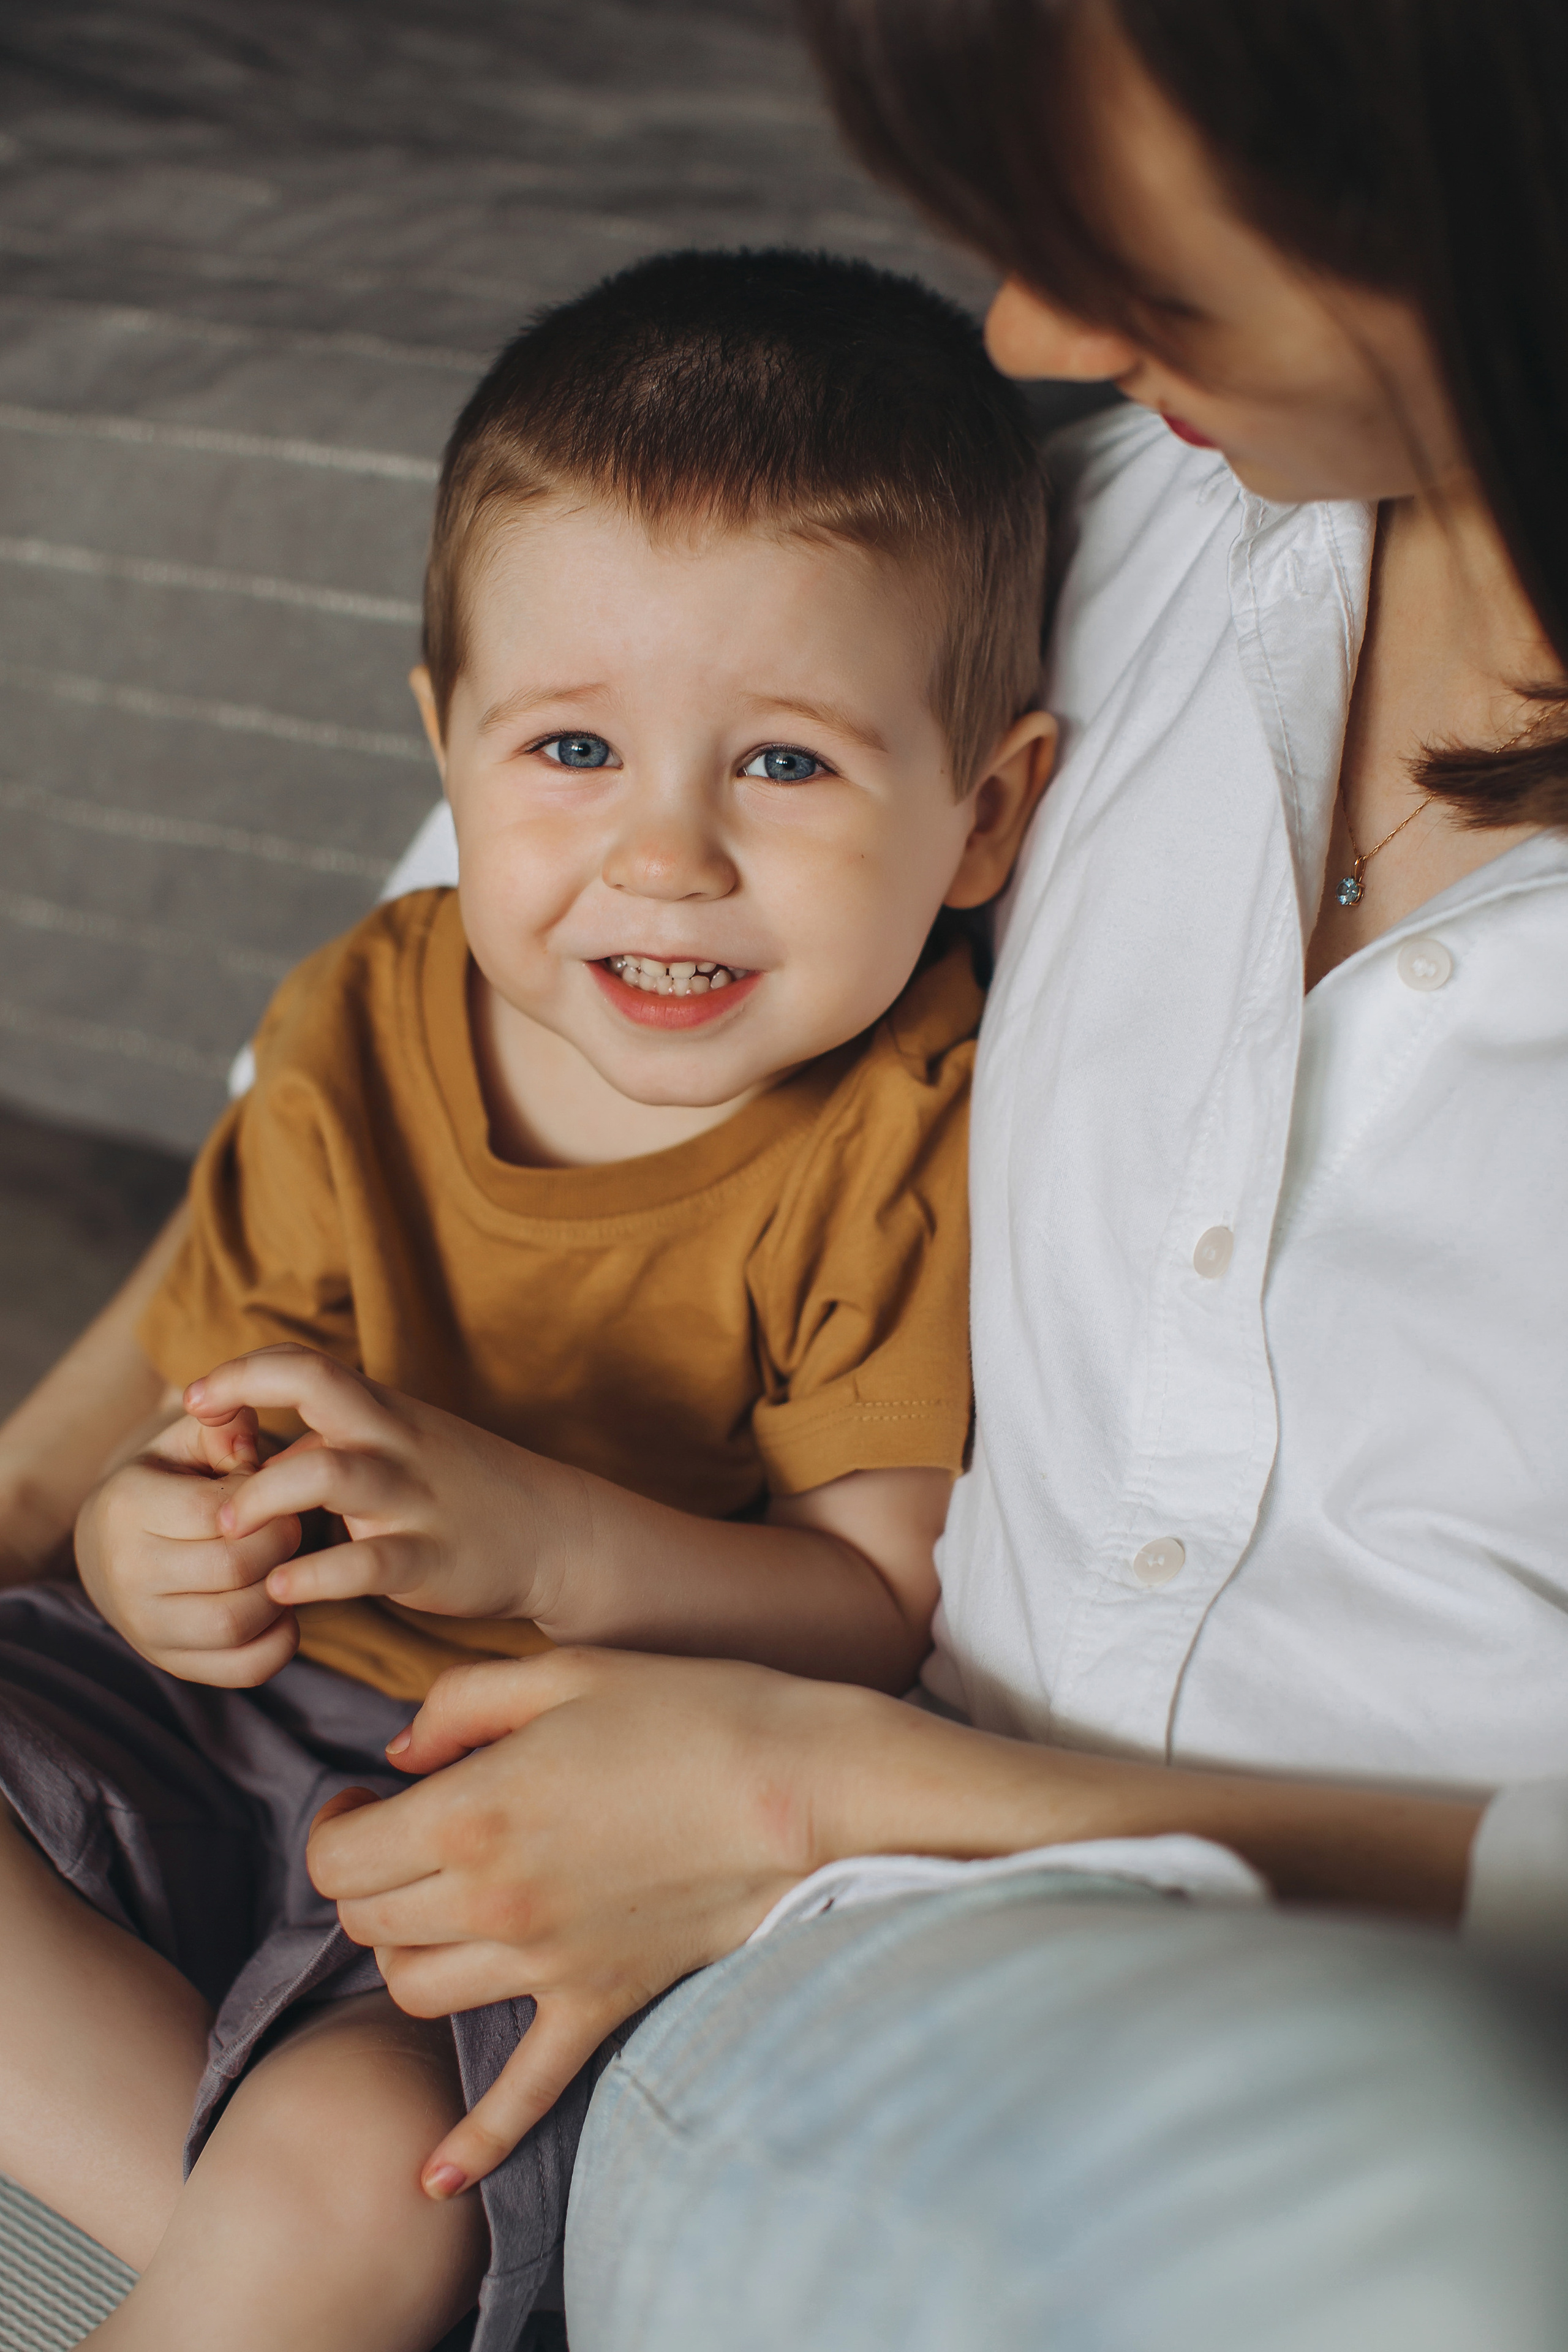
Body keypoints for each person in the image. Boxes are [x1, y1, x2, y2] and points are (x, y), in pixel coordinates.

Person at [266, 0, 1568, 2345]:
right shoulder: (1064, 526)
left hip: (1323, 2049)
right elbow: (442, 970)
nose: (1029, 330)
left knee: (1411, 2196)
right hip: (823, 1999)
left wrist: (825, 1795)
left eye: (1132, 260)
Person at [0, 247, 1056, 2351]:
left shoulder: (904, 1133)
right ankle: (251, 2233)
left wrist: (548, 1540)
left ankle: (300, 2248)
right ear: (447, 746)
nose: (660, 857)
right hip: (240, 1708)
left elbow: (872, 1601)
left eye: (783, 767)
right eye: (572, 746)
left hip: (536, 1817)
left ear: (984, 813)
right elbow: (197, 1400)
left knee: (370, 2173)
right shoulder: (371, 1010)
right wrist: (148, 1533)